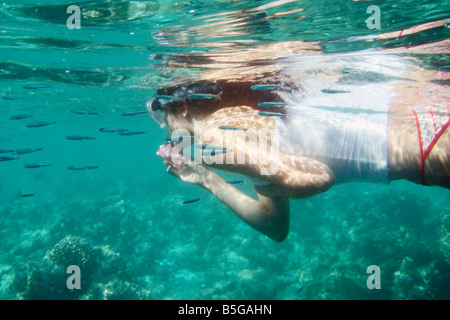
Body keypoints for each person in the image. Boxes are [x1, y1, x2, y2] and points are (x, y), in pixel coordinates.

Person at [147, 38, 449, 242]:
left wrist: (197, 154)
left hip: (430, 144)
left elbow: (317, 177)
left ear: (182, 106)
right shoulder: (250, 117)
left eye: (161, 116)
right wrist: (207, 180)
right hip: (431, 136)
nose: (165, 128)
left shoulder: (215, 138)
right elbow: (275, 225)